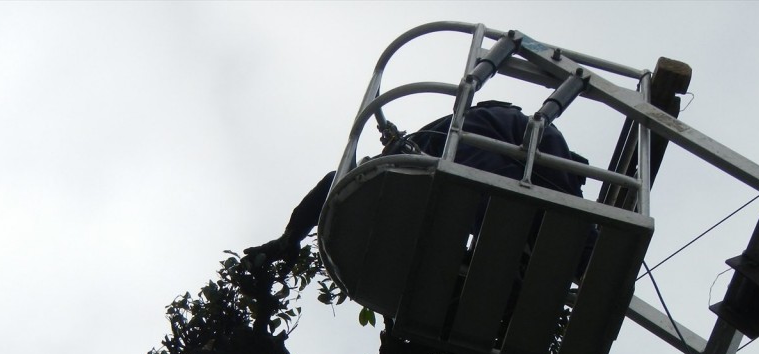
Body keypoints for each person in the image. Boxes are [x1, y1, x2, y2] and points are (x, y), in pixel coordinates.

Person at [244, 101, 589, 266]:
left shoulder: (407, 164)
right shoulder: (418, 169)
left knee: (502, 207)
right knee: (555, 224)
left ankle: (577, 253)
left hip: (488, 137)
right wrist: (290, 237)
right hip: (523, 142)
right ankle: (582, 253)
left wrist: (290, 238)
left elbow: (333, 184)